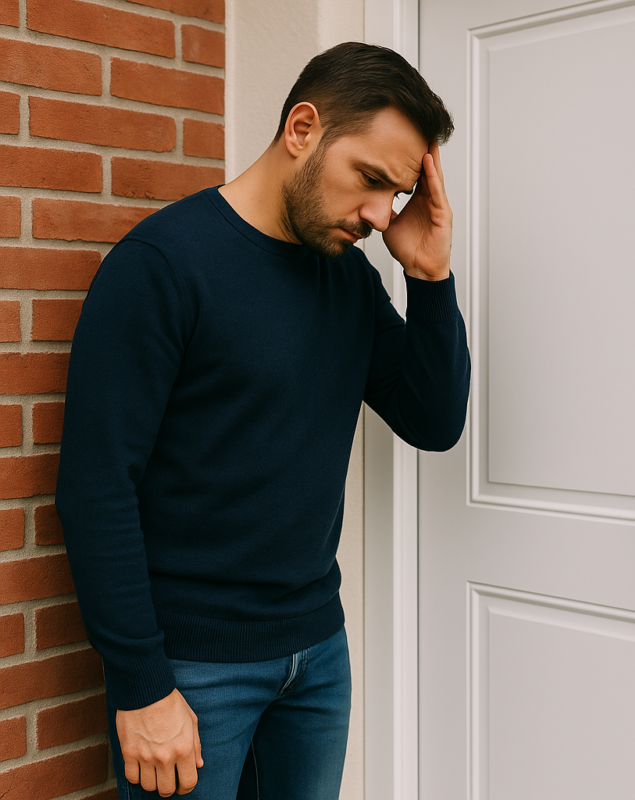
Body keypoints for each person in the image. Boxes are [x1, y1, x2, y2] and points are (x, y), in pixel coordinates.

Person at [56, 41, 470, 799]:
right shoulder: (162, 265)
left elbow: (433, 419)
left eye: (396, 194)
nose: (380, 217)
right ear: (303, 128)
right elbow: (95, 489)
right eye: (371, 181)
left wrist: (430, 279)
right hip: (190, 669)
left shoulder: (347, 277)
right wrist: (142, 687)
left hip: (317, 654)